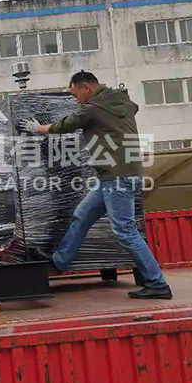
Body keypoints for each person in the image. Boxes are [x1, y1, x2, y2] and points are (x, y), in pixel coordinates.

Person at [20, 71, 172, 300]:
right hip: (114, 175)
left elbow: (65, 125)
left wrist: (37, 128)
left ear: (86, 88)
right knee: (82, 215)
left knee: (125, 231)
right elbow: (134, 108)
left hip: (117, 177)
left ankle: (157, 283)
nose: (75, 100)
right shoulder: (121, 100)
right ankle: (60, 262)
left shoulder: (92, 108)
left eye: (75, 95)